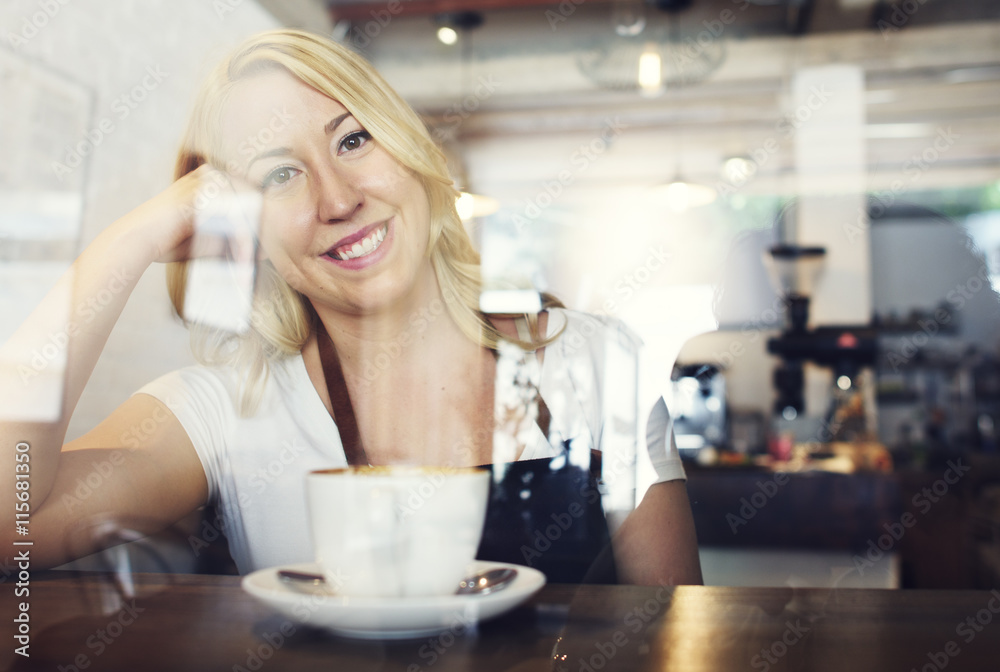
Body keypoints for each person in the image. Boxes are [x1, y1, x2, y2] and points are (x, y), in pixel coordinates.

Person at [0, 29, 701, 586]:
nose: (337, 200)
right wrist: (130, 240)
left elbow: (672, 636)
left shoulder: (600, 362)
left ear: (411, 154)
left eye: (353, 139)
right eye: (280, 175)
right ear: (247, 231)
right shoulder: (224, 411)